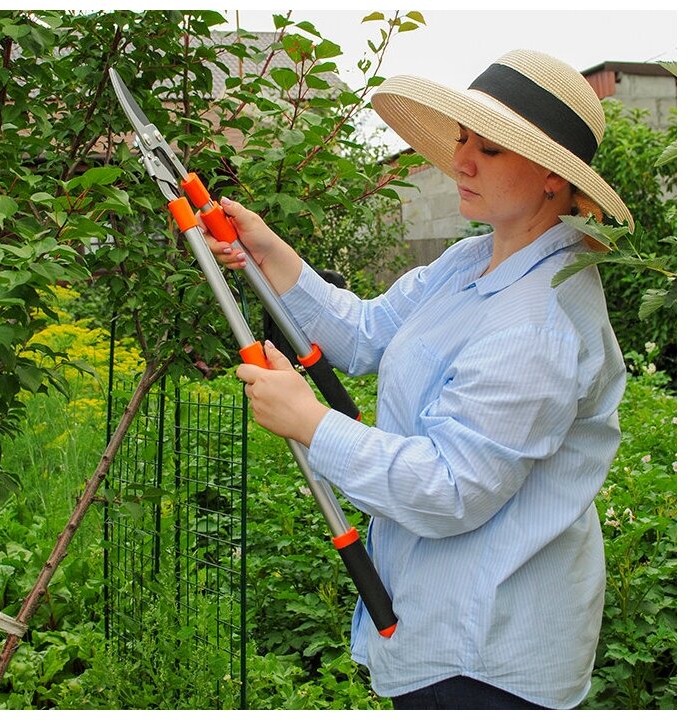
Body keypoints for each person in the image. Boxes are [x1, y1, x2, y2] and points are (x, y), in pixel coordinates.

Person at [200, 49, 633, 710]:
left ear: (552, 177)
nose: (460, 161)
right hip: (445, 616)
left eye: (488, 150)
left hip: (488, 655)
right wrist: (273, 256)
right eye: (462, 139)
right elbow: (368, 333)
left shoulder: (537, 322)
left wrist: (312, 424)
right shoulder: (471, 259)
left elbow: (451, 488)